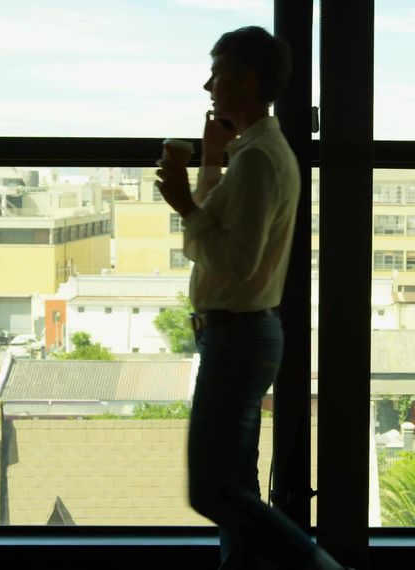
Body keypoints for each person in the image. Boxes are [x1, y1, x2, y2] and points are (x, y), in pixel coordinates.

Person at [155, 26, 350, 570]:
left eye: (216, 72)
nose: (207, 85)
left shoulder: (261, 159)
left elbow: (234, 262)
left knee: (212, 492)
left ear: (244, 79)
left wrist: (181, 204)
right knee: (233, 491)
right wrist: (211, 160)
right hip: (238, 334)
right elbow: (219, 220)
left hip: (238, 335)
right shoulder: (254, 154)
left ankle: (321, 567)